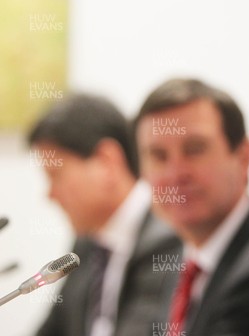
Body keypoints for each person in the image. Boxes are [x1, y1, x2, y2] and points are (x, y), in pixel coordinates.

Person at [134, 78, 249, 336]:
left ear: (243, 156)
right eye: (158, 156)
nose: (176, 173)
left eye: (195, 149)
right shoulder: (181, 256)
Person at [28, 94, 181, 336]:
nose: (50, 194)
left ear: (107, 161)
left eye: (55, 175)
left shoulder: (170, 237)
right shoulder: (88, 244)